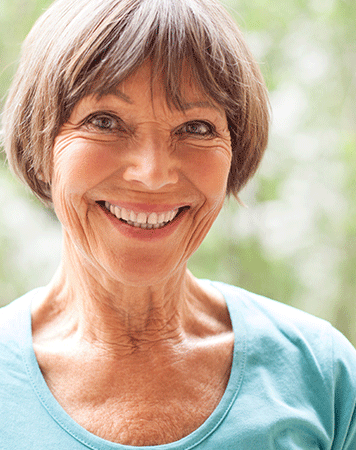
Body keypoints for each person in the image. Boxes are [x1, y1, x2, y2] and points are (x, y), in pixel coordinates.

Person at [1, 0, 356, 448]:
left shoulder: (322, 376)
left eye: (197, 128)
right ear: (40, 143)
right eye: (105, 121)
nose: (152, 173)